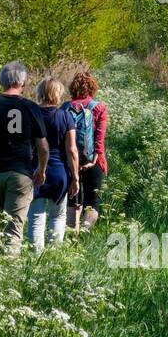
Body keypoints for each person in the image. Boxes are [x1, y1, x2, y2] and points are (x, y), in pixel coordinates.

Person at [0, 61, 48, 255]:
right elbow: (43, 147)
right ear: (23, 82)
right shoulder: (30, 107)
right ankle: (9, 276)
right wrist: (41, 170)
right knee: (14, 228)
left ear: (1, 81)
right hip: (20, 174)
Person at [26, 77, 79, 251]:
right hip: (59, 172)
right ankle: (54, 255)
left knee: (36, 217)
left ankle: (35, 257)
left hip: (34, 170)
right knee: (58, 216)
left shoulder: (30, 115)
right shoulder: (65, 117)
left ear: (40, 93)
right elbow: (72, 150)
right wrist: (75, 178)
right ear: (57, 94)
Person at [64, 70, 108, 233]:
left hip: (70, 160)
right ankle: (84, 233)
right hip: (93, 160)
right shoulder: (99, 108)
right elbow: (100, 137)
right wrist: (95, 158)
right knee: (93, 201)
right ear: (93, 87)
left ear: (73, 88)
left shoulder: (65, 107)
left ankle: (70, 236)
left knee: (72, 199)